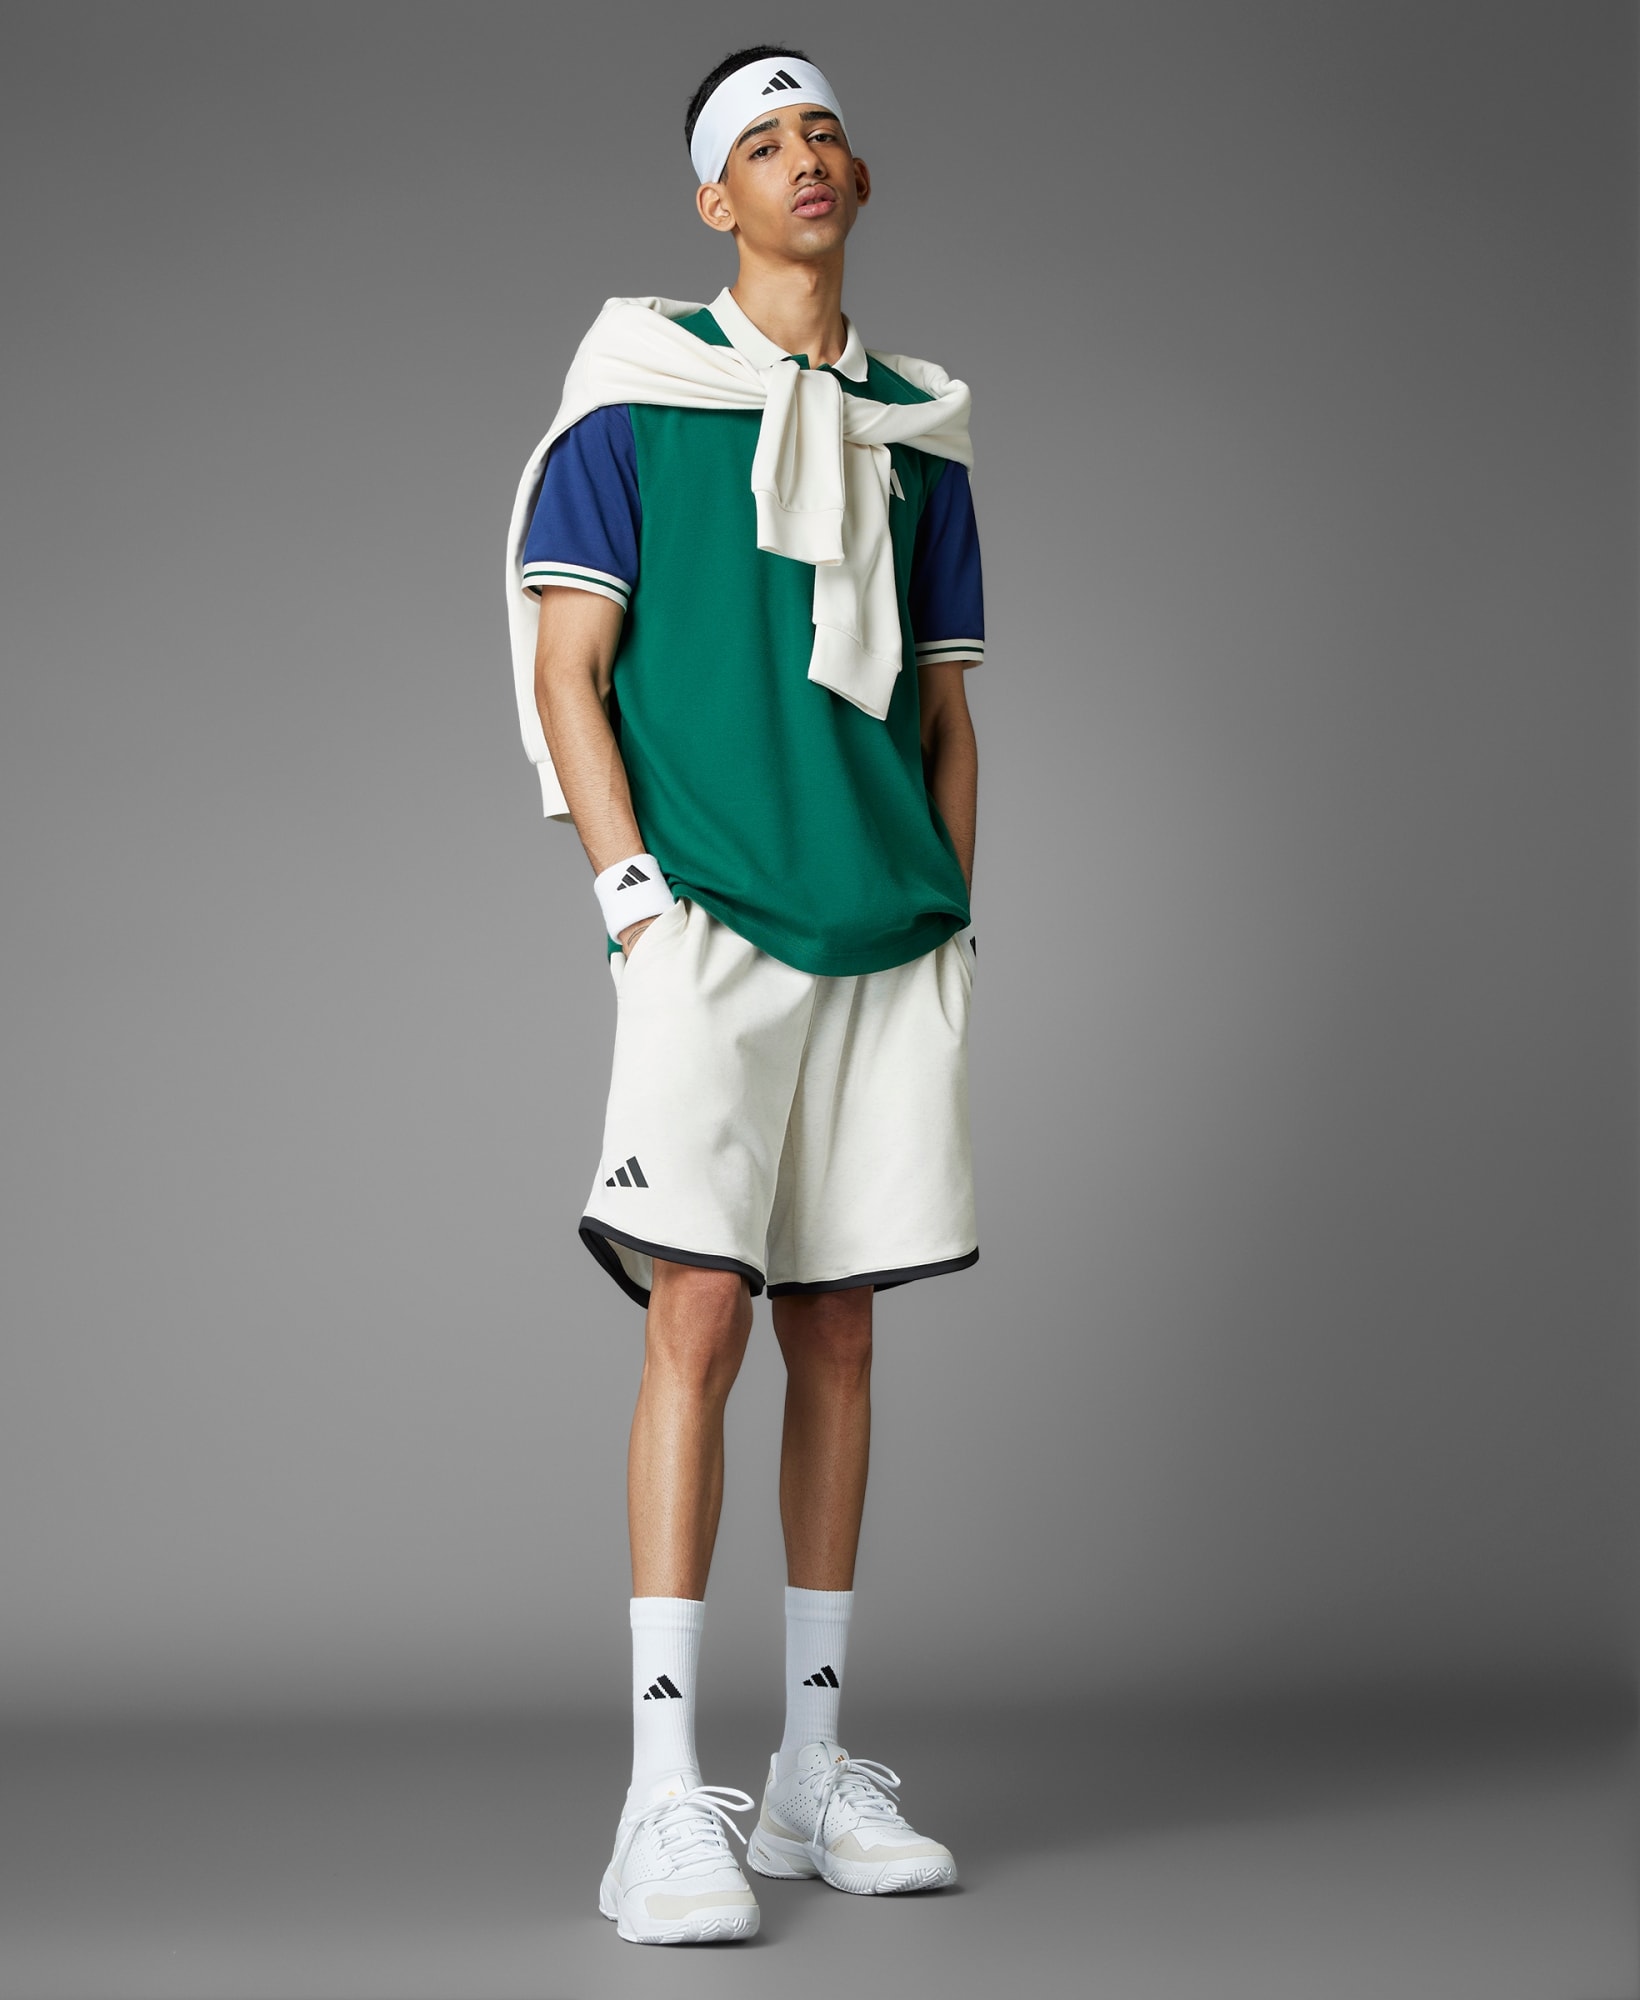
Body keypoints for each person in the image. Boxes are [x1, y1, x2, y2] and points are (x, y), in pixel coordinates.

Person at [503, 45, 984, 1947]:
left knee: (840, 1326)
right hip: (705, 919)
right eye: (763, 142)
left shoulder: (920, 433)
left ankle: (809, 1769)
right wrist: (631, 899)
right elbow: (568, 665)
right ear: (716, 199)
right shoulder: (633, 405)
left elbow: (946, 706)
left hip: (886, 929)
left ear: (858, 178)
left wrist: (954, 909)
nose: (806, 158)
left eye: (825, 131)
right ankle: (656, 1799)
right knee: (699, 1310)